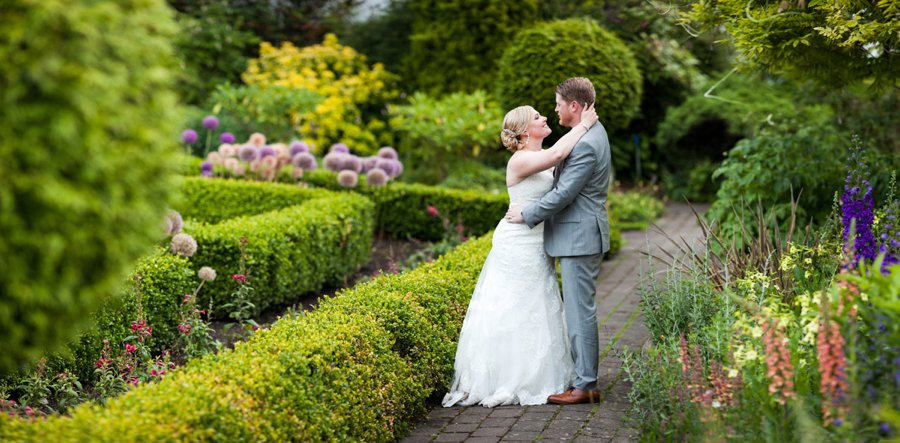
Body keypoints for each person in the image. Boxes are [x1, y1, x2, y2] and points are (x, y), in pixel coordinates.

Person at [442, 102, 598, 408]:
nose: (545, 118)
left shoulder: (539, 155)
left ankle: (540, 373)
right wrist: (585, 125)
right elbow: (557, 155)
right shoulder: (520, 160)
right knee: (513, 304)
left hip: (539, 241)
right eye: (538, 117)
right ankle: (506, 377)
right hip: (517, 242)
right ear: (526, 131)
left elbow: (560, 161)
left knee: (539, 303)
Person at [505, 77, 611, 405]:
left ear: (574, 106)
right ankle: (582, 379)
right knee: (579, 311)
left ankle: (586, 386)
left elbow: (565, 194)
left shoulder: (588, 143)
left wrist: (529, 213)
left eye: (558, 104)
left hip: (579, 235)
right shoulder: (585, 135)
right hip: (576, 234)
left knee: (580, 313)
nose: (554, 109)